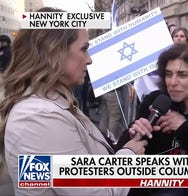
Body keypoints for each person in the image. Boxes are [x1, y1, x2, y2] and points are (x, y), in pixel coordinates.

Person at [0, 7, 147, 196]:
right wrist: (129, 156)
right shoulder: (38, 117)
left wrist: (126, 141)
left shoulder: (49, 104)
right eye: (84, 49)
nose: (89, 60)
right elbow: (96, 192)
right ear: (55, 52)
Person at [116, 43, 188, 196]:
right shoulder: (155, 101)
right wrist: (132, 134)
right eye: (168, 74)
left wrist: (185, 128)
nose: (172, 82)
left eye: (182, 75)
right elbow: (123, 158)